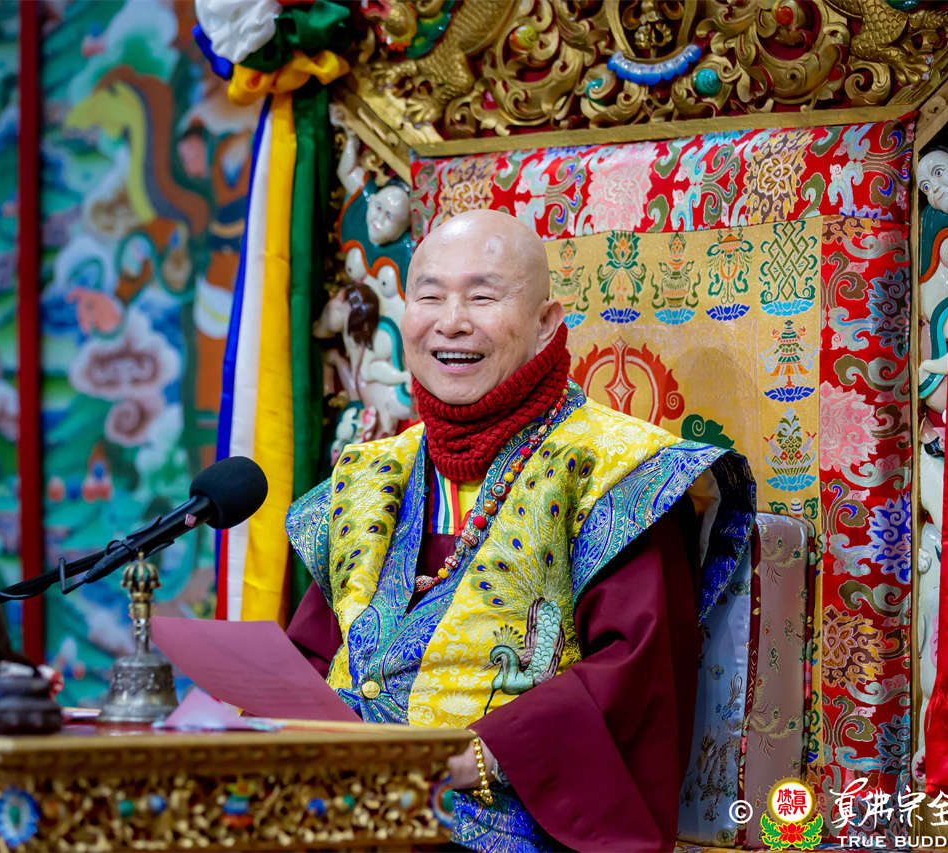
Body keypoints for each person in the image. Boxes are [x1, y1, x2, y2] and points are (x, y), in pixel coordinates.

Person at [285, 210, 754, 852]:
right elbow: (312, 657)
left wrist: (471, 759)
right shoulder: (371, 475)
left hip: (499, 825)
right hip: (344, 812)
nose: (452, 321)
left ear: (545, 324)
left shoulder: (616, 471)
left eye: (482, 297)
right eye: (430, 296)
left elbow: (636, 675)